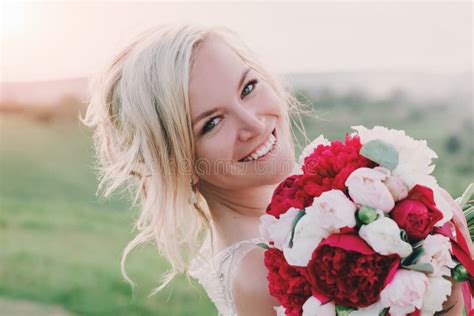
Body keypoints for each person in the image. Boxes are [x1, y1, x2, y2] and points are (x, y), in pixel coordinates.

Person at [82, 23, 468, 316]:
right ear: (177, 162)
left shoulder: (289, 226)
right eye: (211, 123)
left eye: (247, 88)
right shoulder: (264, 272)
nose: (252, 123)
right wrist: (449, 288)